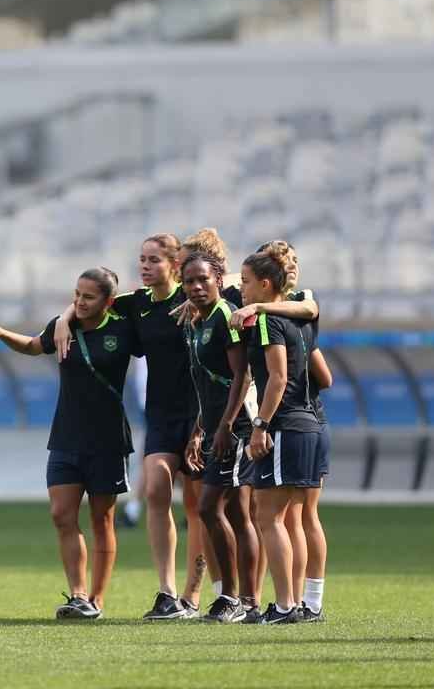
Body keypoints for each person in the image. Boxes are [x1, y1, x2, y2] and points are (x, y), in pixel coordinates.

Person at [54, 234, 208, 620]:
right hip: (160, 415)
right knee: (155, 490)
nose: (145, 266)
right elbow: (92, 301)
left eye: (154, 260)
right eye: (142, 259)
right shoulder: (136, 303)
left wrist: (202, 297)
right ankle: (167, 592)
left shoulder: (194, 298)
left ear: (174, 265)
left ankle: (198, 594)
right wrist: (63, 320)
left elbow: (233, 292)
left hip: (200, 414)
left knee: (200, 506)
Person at [0, 268, 139, 620]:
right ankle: (78, 594)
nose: (80, 302)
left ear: (108, 301)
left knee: (102, 521)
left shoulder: (123, 328)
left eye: (89, 297)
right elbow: (33, 346)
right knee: (61, 515)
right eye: (77, 295)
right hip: (66, 435)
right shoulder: (63, 325)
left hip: (108, 439)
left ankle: (96, 599)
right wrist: (0, 332)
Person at [179, 251, 260, 623]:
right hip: (215, 428)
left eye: (203, 279)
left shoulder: (226, 315)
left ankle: (231, 597)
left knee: (209, 507)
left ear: (218, 279)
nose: (196, 286)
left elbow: (242, 375)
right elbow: (208, 383)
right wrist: (200, 429)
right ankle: (248, 600)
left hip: (235, 427)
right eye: (189, 281)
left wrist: (226, 426)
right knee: (238, 514)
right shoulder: (197, 320)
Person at [240, 250, 321, 625]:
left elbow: (277, 378)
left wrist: (260, 425)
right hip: (310, 423)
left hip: (284, 424)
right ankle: (300, 603)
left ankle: (285, 605)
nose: (242, 289)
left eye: (245, 282)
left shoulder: (266, 321)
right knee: (293, 518)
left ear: (265, 284)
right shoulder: (302, 319)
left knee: (269, 516)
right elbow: (323, 376)